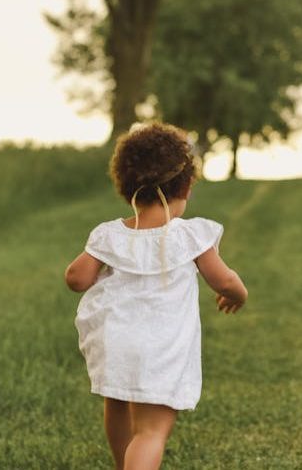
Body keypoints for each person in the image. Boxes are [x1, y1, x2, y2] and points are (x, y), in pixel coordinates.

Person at [65, 123, 248, 470]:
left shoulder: (109, 236)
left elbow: (77, 278)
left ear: (127, 185)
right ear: (187, 185)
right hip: (160, 346)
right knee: (150, 432)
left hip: (114, 340)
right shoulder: (190, 236)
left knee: (116, 406)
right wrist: (239, 294)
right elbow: (223, 281)